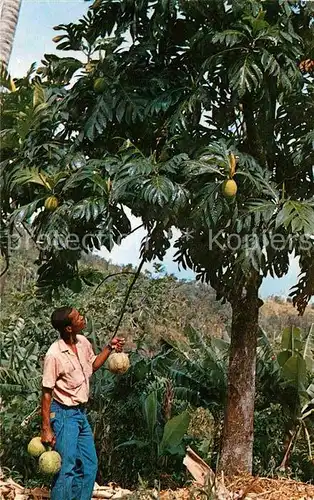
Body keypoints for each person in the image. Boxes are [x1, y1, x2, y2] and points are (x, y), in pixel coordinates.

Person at [40, 306, 125, 500]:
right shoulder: (54, 354)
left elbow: (92, 366)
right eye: (78, 318)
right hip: (63, 414)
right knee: (66, 469)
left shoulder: (83, 343)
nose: (82, 318)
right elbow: (46, 393)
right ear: (69, 328)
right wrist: (46, 428)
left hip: (80, 414)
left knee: (88, 466)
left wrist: (109, 348)